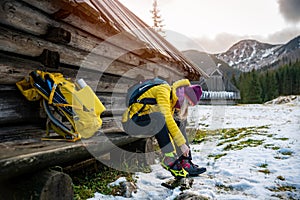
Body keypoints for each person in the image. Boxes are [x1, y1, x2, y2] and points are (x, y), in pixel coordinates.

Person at [122, 78, 206, 178]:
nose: (186, 107)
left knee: (178, 122)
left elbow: (168, 131)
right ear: (185, 98)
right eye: (188, 104)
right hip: (132, 123)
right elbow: (166, 119)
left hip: (145, 123)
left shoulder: (172, 100)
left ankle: (185, 161)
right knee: (160, 118)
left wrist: (179, 150)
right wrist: (182, 144)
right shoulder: (163, 90)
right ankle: (169, 159)